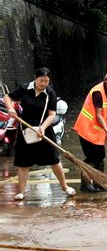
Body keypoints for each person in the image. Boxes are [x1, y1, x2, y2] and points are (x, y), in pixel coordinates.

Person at [3, 67, 76, 200]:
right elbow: (7, 97)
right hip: (26, 130)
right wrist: (10, 109)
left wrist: (42, 127)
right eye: (41, 80)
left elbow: (52, 114)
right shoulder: (25, 89)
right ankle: (21, 192)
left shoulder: (50, 93)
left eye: (46, 81)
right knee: (23, 163)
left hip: (44, 130)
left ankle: (65, 186)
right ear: (35, 78)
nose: (44, 84)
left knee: (54, 159)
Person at [73, 66, 107, 192]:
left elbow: (104, 109)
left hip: (96, 130)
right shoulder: (97, 92)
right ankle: (85, 185)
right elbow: (98, 114)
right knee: (91, 157)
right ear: (106, 79)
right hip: (87, 128)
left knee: (100, 156)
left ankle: (99, 182)